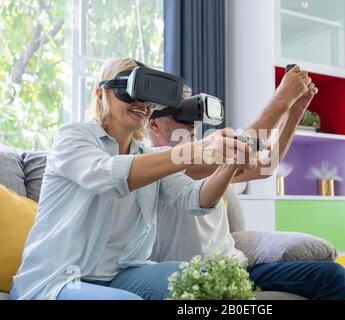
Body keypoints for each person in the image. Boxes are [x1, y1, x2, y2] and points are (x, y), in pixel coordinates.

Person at [10, 58, 255, 300]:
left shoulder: (148, 157)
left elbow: (196, 199)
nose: (141, 102)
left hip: (120, 274)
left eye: (147, 96)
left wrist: (229, 166)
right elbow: (109, 175)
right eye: (129, 92)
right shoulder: (73, 137)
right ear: (100, 94)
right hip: (56, 279)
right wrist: (193, 151)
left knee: (206, 282)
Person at [148, 74, 345, 300]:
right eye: (181, 114)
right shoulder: (154, 163)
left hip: (237, 269)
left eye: (193, 114)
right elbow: (234, 152)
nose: (191, 122)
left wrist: (295, 111)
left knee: (333, 275)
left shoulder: (206, 153)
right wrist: (281, 99)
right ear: (154, 123)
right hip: (198, 278)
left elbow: (266, 165)